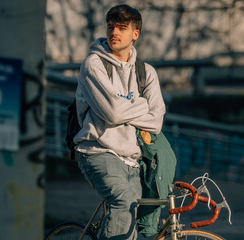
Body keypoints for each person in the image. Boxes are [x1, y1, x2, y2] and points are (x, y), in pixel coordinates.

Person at [73, 4, 166, 240]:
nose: (114, 31)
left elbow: (156, 122)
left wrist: (123, 105)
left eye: (122, 28)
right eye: (111, 26)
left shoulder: (146, 72)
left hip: (133, 159)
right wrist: (141, 104)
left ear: (135, 34)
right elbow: (112, 114)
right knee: (123, 201)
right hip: (97, 150)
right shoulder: (94, 64)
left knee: (130, 221)